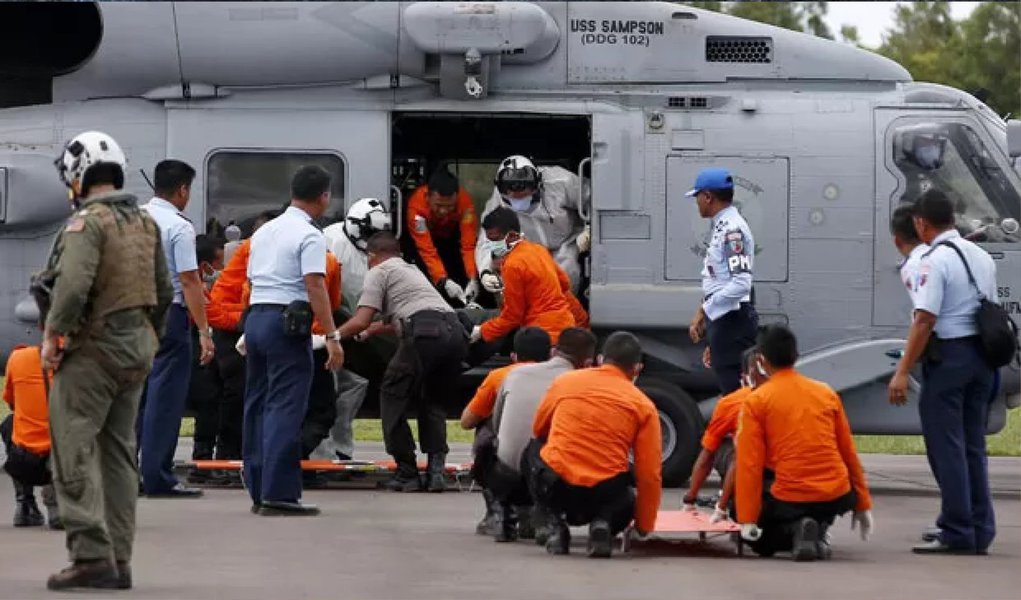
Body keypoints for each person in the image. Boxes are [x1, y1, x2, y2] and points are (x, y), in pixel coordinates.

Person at [42, 131, 173, 589]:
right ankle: (120, 557)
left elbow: (73, 287)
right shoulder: (145, 223)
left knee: (72, 448)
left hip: (93, 352)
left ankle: (91, 554)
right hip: (136, 350)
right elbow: (164, 292)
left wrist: (54, 337)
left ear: (77, 177)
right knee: (119, 454)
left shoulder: (87, 224)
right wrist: (148, 338)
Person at [888, 188, 998, 555]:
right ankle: (979, 528)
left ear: (921, 224)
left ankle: (956, 530)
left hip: (950, 357)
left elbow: (925, 319)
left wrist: (903, 371)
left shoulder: (934, 261)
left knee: (946, 447)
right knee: (972, 446)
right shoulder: (980, 255)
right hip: (982, 359)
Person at [243, 165, 344, 516]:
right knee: (286, 406)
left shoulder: (263, 232)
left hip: (256, 317)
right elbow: (315, 284)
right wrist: (332, 335)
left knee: (256, 403)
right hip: (287, 323)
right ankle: (280, 492)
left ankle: (257, 487)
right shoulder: (310, 235)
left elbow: (252, 281)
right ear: (324, 196)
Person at [336, 232, 468, 492]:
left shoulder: (379, 270)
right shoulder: (411, 271)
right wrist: (373, 331)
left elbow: (361, 318)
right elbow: (407, 313)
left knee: (392, 394)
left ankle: (407, 471)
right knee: (432, 400)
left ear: (371, 256)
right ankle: (436, 471)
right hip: (454, 333)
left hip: (424, 335)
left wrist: (332, 336)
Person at [736, 325, 873, 562]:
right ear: (796, 357)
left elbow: (749, 465)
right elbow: (847, 452)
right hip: (836, 495)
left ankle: (796, 530)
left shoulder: (757, 401)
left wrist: (747, 519)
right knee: (821, 501)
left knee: (755, 537)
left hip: (789, 497)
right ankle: (818, 530)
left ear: (760, 361)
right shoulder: (826, 393)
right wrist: (862, 503)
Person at [527, 331, 661, 558]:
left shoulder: (565, 382)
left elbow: (539, 428)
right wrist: (644, 524)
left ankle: (555, 525)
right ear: (636, 369)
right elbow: (649, 473)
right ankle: (603, 523)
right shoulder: (643, 404)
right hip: (606, 492)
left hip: (557, 485)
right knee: (625, 492)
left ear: (600, 359)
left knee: (532, 451)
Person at [138, 159, 213, 498]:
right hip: (168, 315)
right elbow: (189, 280)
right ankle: (157, 477)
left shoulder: (131, 218)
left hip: (128, 317)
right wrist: (204, 330)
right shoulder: (179, 227)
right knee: (164, 400)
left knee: (133, 400)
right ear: (182, 190)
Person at [488, 327, 597, 543]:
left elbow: (495, 423)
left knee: (487, 439)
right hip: (549, 480)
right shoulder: (581, 381)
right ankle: (547, 515)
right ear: (588, 361)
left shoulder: (513, 374)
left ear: (554, 351)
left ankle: (503, 511)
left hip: (505, 474)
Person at [318, 197, 393, 461]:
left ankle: (341, 446)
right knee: (327, 383)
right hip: (324, 322)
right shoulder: (328, 240)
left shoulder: (372, 251)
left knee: (356, 383)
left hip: (353, 325)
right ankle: (321, 453)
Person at [459, 327, 552, 536]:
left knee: (486, 428)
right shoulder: (564, 378)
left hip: (508, 469)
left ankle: (497, 510)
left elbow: (467, 421)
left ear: (513, 356)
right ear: (550, 355)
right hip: (549, 466)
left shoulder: (499, 376)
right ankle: (537, 512)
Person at [206, 210, 278, 467]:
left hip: (242, 322)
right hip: (235, 327)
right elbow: (246, 294)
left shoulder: (256, 250)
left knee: (245, 394)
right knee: (238, 394)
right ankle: (228, 456)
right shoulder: (255, 251)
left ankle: (235, 454)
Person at [686, 167, 758, 395]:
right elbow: (720, 280)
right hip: (726, 320)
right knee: (733, 391)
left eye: (697, 196)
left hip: (731, 322)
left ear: (708, 197)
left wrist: (707, 311)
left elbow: (741, 284)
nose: (696, 202)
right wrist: (705, 316)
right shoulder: (723, 227)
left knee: (736, 395)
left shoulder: (731, 231)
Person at [475, 155, 589, 294]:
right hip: (527, 246)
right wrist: (486, 270)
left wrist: (589, 228)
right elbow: (487, 238)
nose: (518, 199)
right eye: (512, 196)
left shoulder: (562, 182)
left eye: (523, 195)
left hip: (566, 241)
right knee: (518, 281)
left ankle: (565, 312)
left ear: (536, 185)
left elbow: (594, 199)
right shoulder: (499, 199)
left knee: (565, 274)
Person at [470, 207, 579, 347]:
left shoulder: (512, 265)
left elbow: (513, 316)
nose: (491, 244)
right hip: (565, 328)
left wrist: (482, 331)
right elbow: (564, 283)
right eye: (489, 239)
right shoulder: (538, 250)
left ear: (512, 236)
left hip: (540, 336)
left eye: (494, 239)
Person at [682, 347, 766, 523]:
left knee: (725, 445)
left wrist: (690, 499)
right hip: (797, 477)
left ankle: (724, 502)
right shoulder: (804, 395)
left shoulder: (733, 403)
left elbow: (706, 457)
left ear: (745, 376)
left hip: (752, 475)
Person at [3, 341, 59, 529]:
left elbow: (11, 402)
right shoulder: (75, 359)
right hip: (58, 458)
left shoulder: (17, 357)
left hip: (23, 461)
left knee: (10, 424)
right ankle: (57, 505)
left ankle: (24, 504)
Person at [186, 235, 228, 484]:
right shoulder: (196, 288)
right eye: (218, 262)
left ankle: (202, 459)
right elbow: (215, 314)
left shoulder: (196, 283)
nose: (220, 269)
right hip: (195, 344)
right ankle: (202, 460)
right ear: (205, 266)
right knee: (209, 401)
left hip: (191, 341)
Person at [405, 169, 480, 305]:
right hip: (424, 241)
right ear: (428, 197)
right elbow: (426, 250)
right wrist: (443, 280)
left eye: (450, 206)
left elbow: (468, 245)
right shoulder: (416, 208)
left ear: (456, 197)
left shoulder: (465, 204)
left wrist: (473, 278)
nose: (443, 211)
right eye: (438, 205)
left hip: (450, 238)